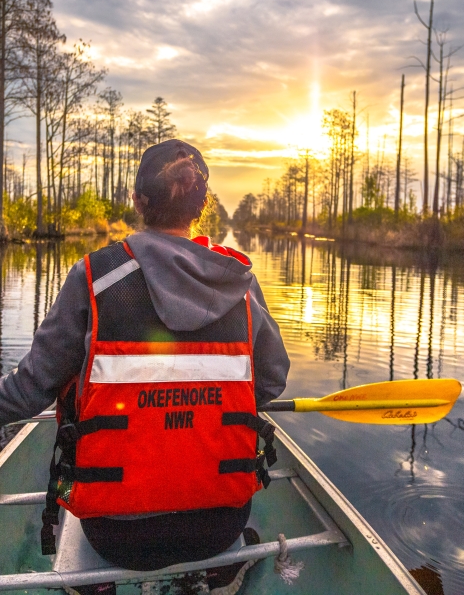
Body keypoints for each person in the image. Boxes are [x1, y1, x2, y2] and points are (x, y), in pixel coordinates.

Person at [0, 139, 290, 581]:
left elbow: (29, 390)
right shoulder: (241, 285)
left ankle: (94, 582)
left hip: (117, 534)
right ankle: (224, 569)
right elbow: (269, 386)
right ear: (202, 205)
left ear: (137, 200)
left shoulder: (96, 277)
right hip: (219, 523)